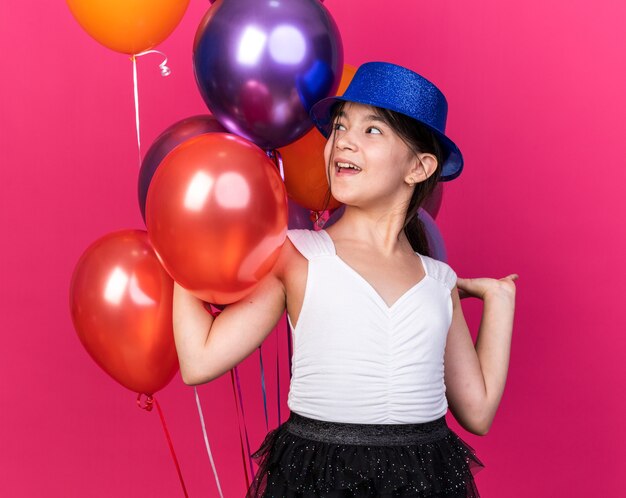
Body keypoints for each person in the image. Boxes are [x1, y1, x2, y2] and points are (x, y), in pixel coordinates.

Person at [173, 62, 518, 497]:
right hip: (319, 475)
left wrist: (499, 299)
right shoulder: (298, 255)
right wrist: (180, 251)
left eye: (372, 130)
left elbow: (478, 412)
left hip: (424, 478)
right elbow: (199, 361)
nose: (344, 141)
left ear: (419, 167)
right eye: (340, 125)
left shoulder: (438, 280)